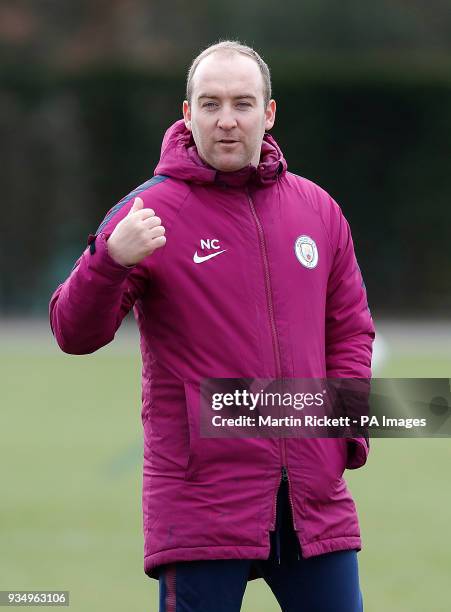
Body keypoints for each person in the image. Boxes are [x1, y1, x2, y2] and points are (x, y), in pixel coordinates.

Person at [49, 40, 375, 612]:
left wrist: (340, 434)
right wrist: (109, 260)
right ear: (187, 113)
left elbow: (350, 331)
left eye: (243, 104)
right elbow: (74, 334)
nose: (226, 121)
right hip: (203, 501)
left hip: (311, 499)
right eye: (210, 103)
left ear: (269, 113)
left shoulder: (317, 211)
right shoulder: (146, 214)